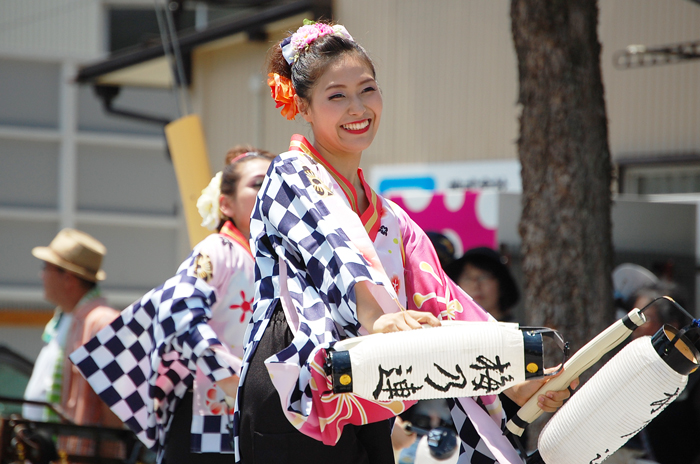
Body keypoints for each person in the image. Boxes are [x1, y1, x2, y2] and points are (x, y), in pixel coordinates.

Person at [235, 20, 575, 464]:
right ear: (303, 105)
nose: (358, 107)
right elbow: (335, 247)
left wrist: (516, 374)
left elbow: (445, 301)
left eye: (367, 89)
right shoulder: (289, 173)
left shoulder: (392, 220)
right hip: (298, 376)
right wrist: (377, 317)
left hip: (370, 379)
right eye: (336, 95)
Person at [69, 149, 275, 464]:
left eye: (276, 183)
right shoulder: (218, 249)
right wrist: (228, 375)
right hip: (207, 416)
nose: (269, 193)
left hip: (258, 418)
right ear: (225, 204)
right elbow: (177, 313)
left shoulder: (283, 263)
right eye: (258, 183)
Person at [23, 228, 121, 428]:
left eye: (46, 267)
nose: (41, 275)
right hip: (55, 449)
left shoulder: (102, 323)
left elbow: (115, 403)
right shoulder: (66, 318)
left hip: (80, 455)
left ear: (68, 278)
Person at [445, 247, 519, 323]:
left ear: (501, 284)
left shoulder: (517, 332)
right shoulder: (450, 331)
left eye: (484, 277)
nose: (475, 285)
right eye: (467, 278)